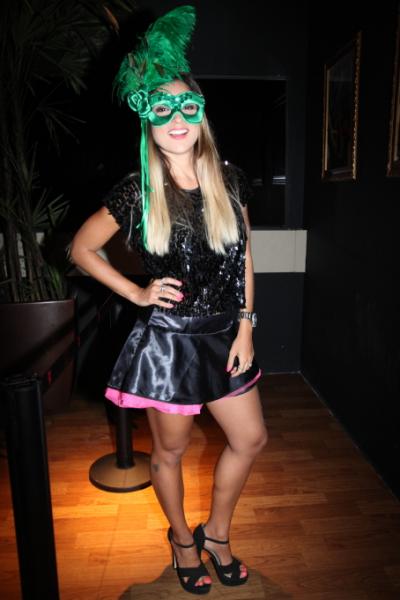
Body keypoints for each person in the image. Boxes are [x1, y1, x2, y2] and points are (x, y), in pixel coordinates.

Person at [69, 6, 268, 595]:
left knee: (251, 439)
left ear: (201, 112)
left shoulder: (230, 179)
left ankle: (217, 535)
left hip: (226, 334)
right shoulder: (137, 190)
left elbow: (244, 257)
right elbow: (80, 248)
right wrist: (137, 291)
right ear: (147, 121)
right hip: (170, 344)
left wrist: (246, 325)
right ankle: (183, 540)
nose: (177, 118)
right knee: (170, 452)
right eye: (162, 109)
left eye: (187, 106)